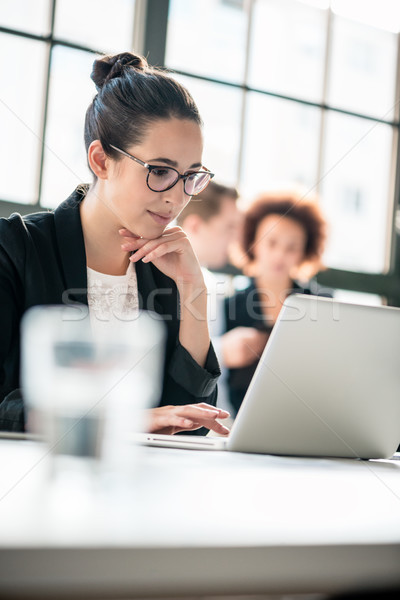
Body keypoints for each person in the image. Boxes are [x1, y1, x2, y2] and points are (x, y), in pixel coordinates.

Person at [0, 51, 230, 436]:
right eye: (159, 171)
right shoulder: (15, 248)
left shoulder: (165, 271)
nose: (177, 198)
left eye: (191, 175)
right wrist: (123, 421)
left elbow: (192, 424)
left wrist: (194, 290)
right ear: (101, 161)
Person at [224, 191, 330, 415]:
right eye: (271, 242)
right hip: (240, 419)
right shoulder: (230, 306)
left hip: (307, 416)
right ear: (253, 242)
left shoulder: (323, 305)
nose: (280, 255)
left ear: (303, 252)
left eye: (292, 247)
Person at [176, 181, 241, 414]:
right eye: (228, 228)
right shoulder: (164, 280)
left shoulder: (213, 284)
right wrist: (224, 352)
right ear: (195, 226)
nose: (235, 240)